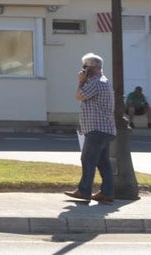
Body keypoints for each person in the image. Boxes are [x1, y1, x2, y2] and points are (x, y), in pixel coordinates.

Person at [64, 53, 116, 204]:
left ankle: (84, 191)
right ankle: (107, 193)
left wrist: (80, 81)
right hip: (105, 129)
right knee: (103, 162)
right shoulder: (104, 81)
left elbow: (80, 96)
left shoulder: (95, 82)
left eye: (84, 67)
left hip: (97, 129)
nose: (82, 70)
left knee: (87, 159)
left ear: (92, 68)